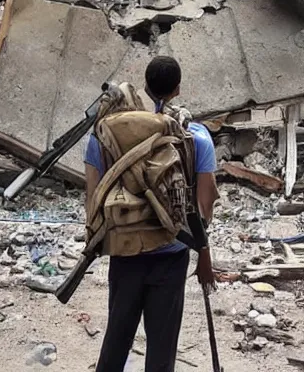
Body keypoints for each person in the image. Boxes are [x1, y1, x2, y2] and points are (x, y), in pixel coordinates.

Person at [85, 56, 219, 372]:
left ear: (144, 84)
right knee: (161, 352)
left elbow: (92, 198)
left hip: (124, 251)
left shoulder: (104, 134)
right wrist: (202, 250)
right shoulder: (195, 136)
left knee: (116, 342)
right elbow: (206, 200)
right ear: (177, 90)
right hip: (171, 256)